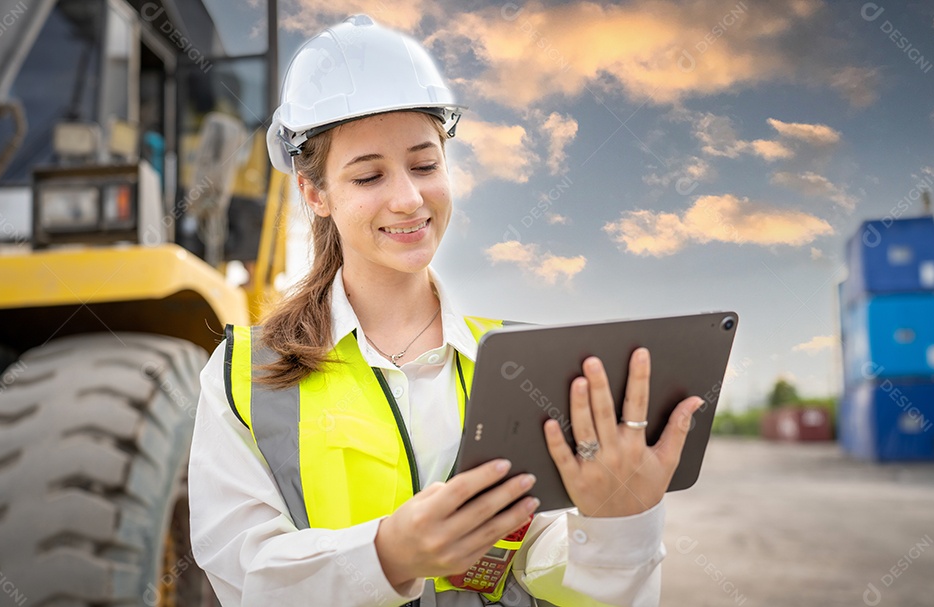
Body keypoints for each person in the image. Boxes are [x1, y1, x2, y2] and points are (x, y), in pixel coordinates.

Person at [187, 15, 705, 607]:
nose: (408, 197)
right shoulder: (243, 374)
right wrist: (387, 555)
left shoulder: (515, 359)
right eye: (368, 175)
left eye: (425, 164)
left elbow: (542, 559)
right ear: (315, 193)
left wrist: (618, 525)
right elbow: (244, 575)